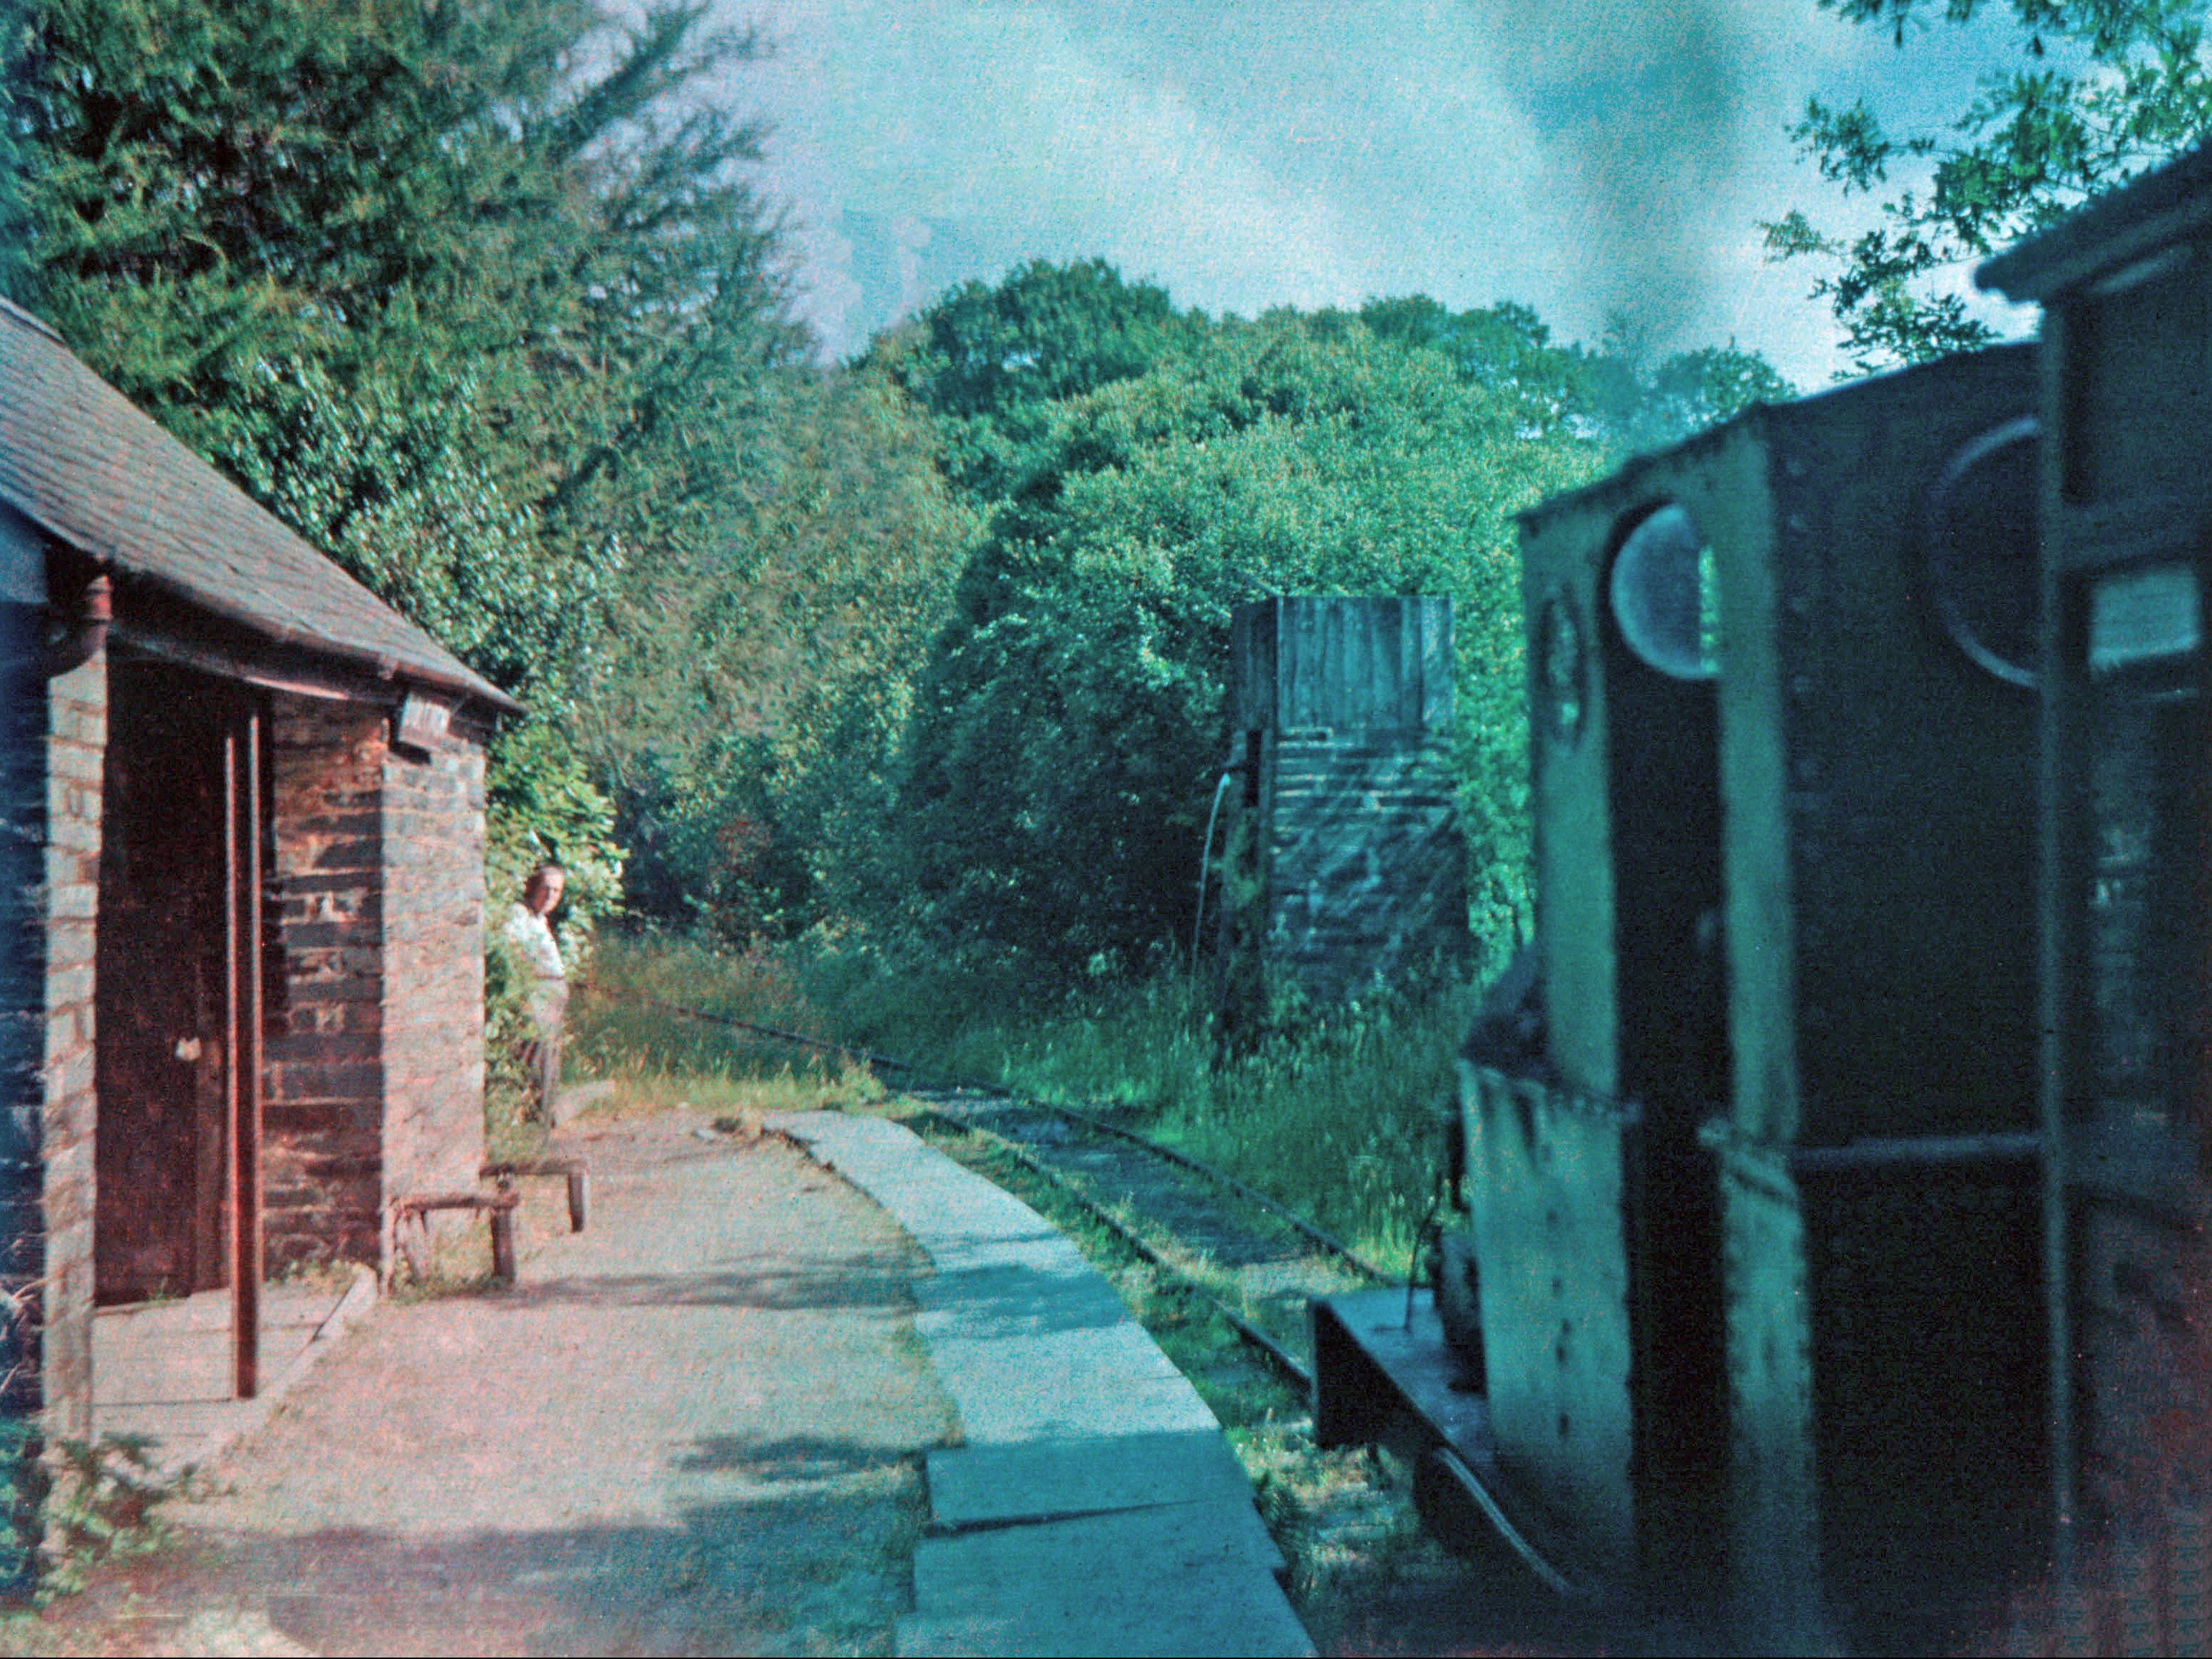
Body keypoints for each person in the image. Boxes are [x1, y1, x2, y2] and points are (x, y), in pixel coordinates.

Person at [505, 863, 568, 1121]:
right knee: (535, 1049)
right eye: (546, 888)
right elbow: (513, 950)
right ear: (532, 887)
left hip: (552, 993)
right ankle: (529, 1111)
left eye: (557, 891)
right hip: (537, 991)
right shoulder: (519, 915)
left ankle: (545, 1111)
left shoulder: (541, 919)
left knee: (550, 1052)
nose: (551, 896)